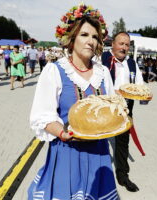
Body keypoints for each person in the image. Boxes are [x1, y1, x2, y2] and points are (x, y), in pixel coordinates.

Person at [28, 4, 118, 200]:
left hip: (99, 153)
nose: (90, 42)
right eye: (84, 35)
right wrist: (62, 133)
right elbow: (42, 115)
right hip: (67, 152)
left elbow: (112, 108)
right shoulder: (54, 70)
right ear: (71, 38)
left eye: (95, 37)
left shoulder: (103, 73)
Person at [101, 31, 143, 192]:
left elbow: (139, 84)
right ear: (113, 44)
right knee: (99, 140)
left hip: (125, 110)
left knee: (123, 143)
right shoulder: (103, 59)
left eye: (127, 45)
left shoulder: (131, 63)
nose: (124, 47)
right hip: (105, 109)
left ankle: (123, 175)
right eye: (121, 43)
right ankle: (98, 174)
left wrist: (143, 94)